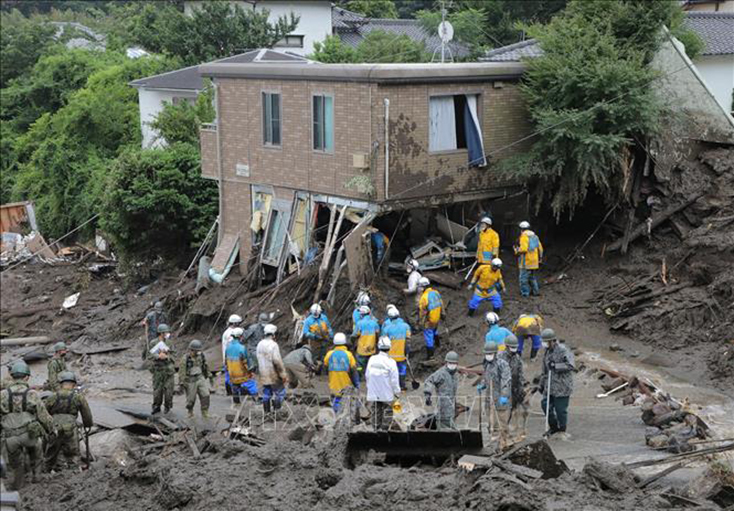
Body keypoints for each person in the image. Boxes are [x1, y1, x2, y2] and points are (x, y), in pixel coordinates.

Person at [0, 361, 55, 490]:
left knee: (16, 464)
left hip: (10, 437)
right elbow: (43, 416)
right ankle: (36, 479)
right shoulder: (32, 394)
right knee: (36, 452)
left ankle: (18, 485)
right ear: (26, 377)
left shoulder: (2, 395)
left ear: (12, 376)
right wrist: (52, 429)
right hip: (29, 435)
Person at [44, 371, 93, 471]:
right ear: (74, 384)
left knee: (51, 454)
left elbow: (44, 413)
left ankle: (46, 473)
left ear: (61, 384)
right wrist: (88, 424)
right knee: (73, 454)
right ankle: (73, 475)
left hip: (55, 428)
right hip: (70, 428)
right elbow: (86, 413)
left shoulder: (52, 397)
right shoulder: (78, 397)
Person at [539, 329, 575, 438]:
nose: (544, 344)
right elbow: (544, 369)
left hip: (562, 386)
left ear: (553, 341)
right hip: (549, 385)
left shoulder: (563, 350)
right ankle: (553, 427)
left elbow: (571, 365)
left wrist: (556, 366)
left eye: (546, 341)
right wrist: (541, 383)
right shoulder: (547, 351)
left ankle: (562, 429)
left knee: (560, 410)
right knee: (545, 405)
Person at [477, 342, 511, 446]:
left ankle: (503, 443)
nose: (488, 355)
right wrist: (482, 385)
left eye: (490, 353)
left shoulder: (502, 364)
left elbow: (506, 381)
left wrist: (504, 395)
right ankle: (494, 443)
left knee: (501, 424)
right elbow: (487, 378)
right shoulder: (487, 365)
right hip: (489, 399)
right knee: (491, 423)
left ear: (495, 353)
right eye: (487, 353)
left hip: (500, 399)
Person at [365, 337, 400, 431]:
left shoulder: (372, 359)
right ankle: (384, 430)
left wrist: (369, 387)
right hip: (387, 392)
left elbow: (367, 375)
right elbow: (394, 380)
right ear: (389, 347)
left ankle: (375, 430)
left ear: (378, 346)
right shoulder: (391, 362)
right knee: (388, 411)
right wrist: (397, 392)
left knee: (376, 410)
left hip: (374, 392)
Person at [500, 334, 529, 440]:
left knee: (512, 410)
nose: (513, 350)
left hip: (515, 387)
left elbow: (520, 373)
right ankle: (501, 432)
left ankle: (506, 431)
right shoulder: (500, 357)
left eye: (515, 347)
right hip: (503, 388)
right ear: (506, 346)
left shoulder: (517, 358)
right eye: (511, 347)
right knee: (503, 411)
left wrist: (521, 388)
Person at [256, 324, 288, 416]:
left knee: (266, 393)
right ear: (273, 334)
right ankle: (277, 411)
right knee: (280, 392)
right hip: (273, 374)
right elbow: (277, 361)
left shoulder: (259, 344)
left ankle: (266, 412)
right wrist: (283, 375)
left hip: (263, 373)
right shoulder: (274, 345)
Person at [324, 333, 358, 413]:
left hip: (333, 383)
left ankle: (335, 414)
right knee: (345, 403)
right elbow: (354, 369)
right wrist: (356, 384)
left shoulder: (329, 354)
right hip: (345, 384)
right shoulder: (348, 354)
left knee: (335, 400)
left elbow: (325, 365)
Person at [424, 351, 460, 430]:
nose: (452, 365)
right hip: (442, 409)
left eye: (454, 363)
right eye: (450, 363)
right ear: (446, 362)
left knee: (450, 429)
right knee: (444, 430)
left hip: (451, 408)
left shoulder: (455, 374)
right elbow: (429, 381)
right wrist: (428, 394)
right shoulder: (441, 373)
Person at [180, 340, 212, 418]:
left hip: (200, 378)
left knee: (205, 395)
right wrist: (182, 382)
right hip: (190, 380)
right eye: (196, 351)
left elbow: (205, 365)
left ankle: (205, 412)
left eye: (199, 350)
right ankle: (190, 411)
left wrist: (209, 375)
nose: (198, 352)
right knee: (191, 399)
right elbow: (182, 371)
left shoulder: (201, 356)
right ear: (192, 350)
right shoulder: (186, 358)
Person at [381, 305, 411, 390]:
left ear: (389, 317)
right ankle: (402, 386)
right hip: (402, 354)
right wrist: (407, 352)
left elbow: (383, 343)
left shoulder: (386, 328)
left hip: (390, 356)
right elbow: (408, 341)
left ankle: (390, 386)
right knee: (402, 370)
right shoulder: (406, 326)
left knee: (390, 371)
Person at [225, 328, 258, 405]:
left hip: (232, 373)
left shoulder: (228, 347)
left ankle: (236, 403)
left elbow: (226, 361)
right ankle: (256, 399)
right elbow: (246, 362)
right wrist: (250, 371)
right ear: (240, 336)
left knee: (235, 387)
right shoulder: (242, 348)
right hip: (241, 373)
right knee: (251, 383)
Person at [514, 221, 544, 297]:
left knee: (523, 279)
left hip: (526, 261)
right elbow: (540, 249)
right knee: (532, 277)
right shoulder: (535, 236)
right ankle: (536, 292)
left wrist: (516, 250)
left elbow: (523, 249)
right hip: (534, 262)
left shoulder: (524, 236)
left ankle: (525, 293)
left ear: (521, 229)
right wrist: (540, 258)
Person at [150, 331, 176, 415]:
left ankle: (167, 407)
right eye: (166, 332)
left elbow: (174, 356)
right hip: (158, 370)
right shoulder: (153, 342)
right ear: (161, 333)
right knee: (157, 391)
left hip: (168, 371)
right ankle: (156, 406)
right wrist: (158, 356)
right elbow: (149, 356)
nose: (167, 334)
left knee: (169, 391)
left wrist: (167, 357)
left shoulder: (170, 343)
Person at [302, 304, 334, 370]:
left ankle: (326, 368)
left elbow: (329, 327)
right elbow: (306, 333)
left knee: (326, 353)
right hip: (314, 341)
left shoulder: (324, 317)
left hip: (325, 339)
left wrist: (331, 335)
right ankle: (316, 369)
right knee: (315, 356)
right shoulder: (308, 321)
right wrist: (314, 336)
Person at [418, 277, 444, 359]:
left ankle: (430, 355)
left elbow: (422, 312)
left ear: (423, 287)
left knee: (428, 336)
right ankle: (438, 344)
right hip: (437, 317)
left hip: (429, 320)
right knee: (435, 330)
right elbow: (441, 303)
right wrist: (443, 314)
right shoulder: (436, 292)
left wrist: (421, 322)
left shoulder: (424, 297)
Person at [354, 305, 380, 374]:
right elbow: (378, 334)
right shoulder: (374, 323)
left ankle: (360, 376)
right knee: (371, 365)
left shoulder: (359, 323)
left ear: (361, 314)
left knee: (359, 365)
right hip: (372, 349)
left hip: (361, 349)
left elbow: (355, 335)